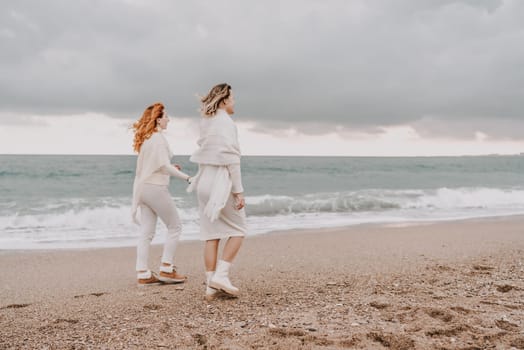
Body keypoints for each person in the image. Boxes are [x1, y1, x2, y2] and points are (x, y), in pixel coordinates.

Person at [188, 83, 247, 300]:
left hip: (204, 181)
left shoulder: (206, 122)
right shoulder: (226, 123)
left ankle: (210, 287)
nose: (234, 102)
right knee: (239, 229)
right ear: (224, 100)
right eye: (232, 98)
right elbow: (232, 159)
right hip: (220, 182)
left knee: (211, 235)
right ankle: (221, 275)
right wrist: (238, 192)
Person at [131, 102, 192, 286]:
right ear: (158, 119)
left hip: (143, 189)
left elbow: (156, 166)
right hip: (155, 188)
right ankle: (167, 268)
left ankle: (143, 273)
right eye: (166, 116)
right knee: (175, 226)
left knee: (146, 232)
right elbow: (163, 166)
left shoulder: (147, 139)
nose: (168, 119)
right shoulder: (158, 139)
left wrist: (170, 168)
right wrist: (187, 177)